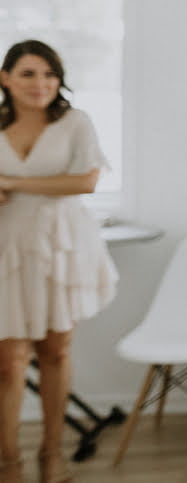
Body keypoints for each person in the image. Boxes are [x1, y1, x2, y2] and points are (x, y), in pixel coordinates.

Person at [0, 40, 117, 483]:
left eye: (50, 74)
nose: (41, 83)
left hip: (61, 246)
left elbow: (85, 181)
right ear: (5, 78)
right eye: (29, 73)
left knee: (55, 350)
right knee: (9, 362)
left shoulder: (75, 122)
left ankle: (52, 454)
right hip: (6, 248)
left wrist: (12, 182)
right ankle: (8, 462)